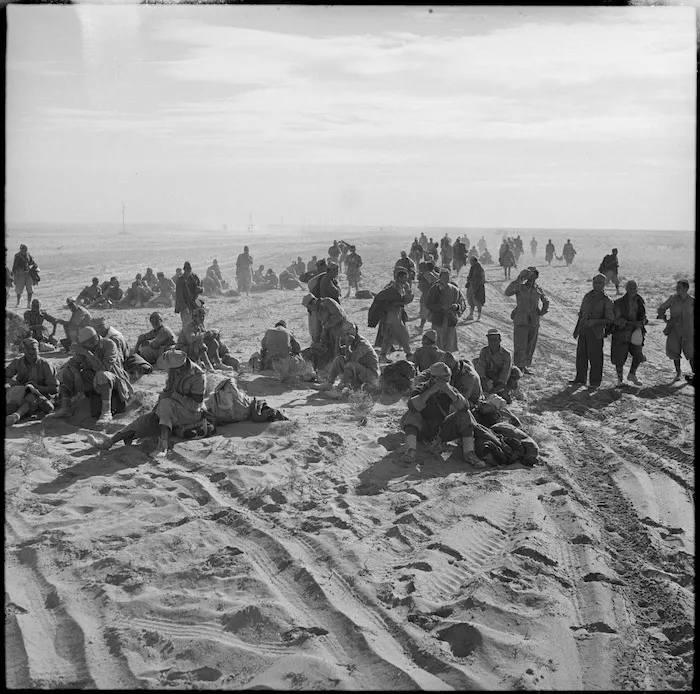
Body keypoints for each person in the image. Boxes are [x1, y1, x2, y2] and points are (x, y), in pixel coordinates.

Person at [86, 349, 206, 458]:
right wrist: (156, 410)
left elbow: (195, 405)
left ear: (179, 367)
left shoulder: (197, 376)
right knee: (145, 420)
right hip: (171, 410)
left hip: (190, 414)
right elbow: (167, 391)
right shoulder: (173, 371)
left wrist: (172, 397)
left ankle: (162, 447)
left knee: (166, 404)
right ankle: (109, 442)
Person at [399, 361, 484, 467]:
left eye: (448, 378)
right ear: (434, 378)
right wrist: (430, 392)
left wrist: (449, 392)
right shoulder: (422, 388)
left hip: (441, 430)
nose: (447, 381)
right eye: (444, 379)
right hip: (423, 429)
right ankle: (410, 451)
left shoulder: (450, 389)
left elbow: (464, 406)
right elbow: (412, 405)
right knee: (412, 414)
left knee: (465, 415)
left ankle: (469, 454)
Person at [51, 326, 134, 426]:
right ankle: (66, 407)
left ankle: (106, 412)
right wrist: (76, 374)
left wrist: (87, 354)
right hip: (91, 378)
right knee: (64, 372)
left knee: (101, 375)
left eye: (84, 345)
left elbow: (104, 368)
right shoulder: (86, 347)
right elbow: (73, 363)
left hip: (113, 378)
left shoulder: (109, 345)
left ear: (92, 342)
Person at [570, 274, 614, 390]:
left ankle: (594, 382)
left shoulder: (607, 300)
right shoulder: (587, 296)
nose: (597, 285)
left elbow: (610, 319)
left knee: (595, 358)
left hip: (596, 332)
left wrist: (595, 322)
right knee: (581, 356)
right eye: (595, 282)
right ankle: (580, 379)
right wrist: (576, 329)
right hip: (584, 330)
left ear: (604, 284)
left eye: (600, 283)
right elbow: (582, 314)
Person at [504, 267, 549, 374]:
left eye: (534, 275)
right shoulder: (520, 287)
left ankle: (525, 365)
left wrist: (543, 310)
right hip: (521, 318)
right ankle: (519, 366)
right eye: (529, 276)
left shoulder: (538, 289)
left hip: (534, 319)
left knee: (531, 344)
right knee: (520, 344)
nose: (531, 278)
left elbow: (545, 299)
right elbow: (508, 292)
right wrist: (519, 278)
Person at [5, 337, 59, 425]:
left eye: (33, 349)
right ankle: (14, 415)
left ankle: (15, 416)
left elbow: (54, 389)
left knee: (30, 398)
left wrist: (36, 387)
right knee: (14, 403)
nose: (30, 352)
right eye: (27, 349)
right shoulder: (17, 362)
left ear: (38, 350)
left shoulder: (46, 365)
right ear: (23, 350)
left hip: (41, 395)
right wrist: (17, 384)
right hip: (21, 392)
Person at [319, 322, 379, 395]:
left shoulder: (363, 344)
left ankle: (339, 390)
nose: (345, 336)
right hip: (361, 372)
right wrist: (338, 338)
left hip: (371, 375)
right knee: (338, 360)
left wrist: (347, 343)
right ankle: (329, 383)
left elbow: (350, 361)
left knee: (350, 365)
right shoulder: (353, 341)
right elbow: (337, 354)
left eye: (346, 334)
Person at [609, 280, 647, 386]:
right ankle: (620, 379)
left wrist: (643, 321)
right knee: (619, 357)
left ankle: (632, 374)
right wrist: (631, 323)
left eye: (634, 288)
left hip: (636, 332)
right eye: (630, 288)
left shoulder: (640, 301)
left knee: (637, 354)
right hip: (622, 333)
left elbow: (643, 315)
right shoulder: (619, 303)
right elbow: (616, 320)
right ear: (626, 289)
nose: (633, 290)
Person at [657, 279, 694, 382]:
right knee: (674, 352)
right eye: (677, 288)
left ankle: (694, 373)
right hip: (674, 330)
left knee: (691, 353)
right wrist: (664, 318)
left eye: (679, 288)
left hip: (688, 331)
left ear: (686, 289)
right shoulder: (672, 299)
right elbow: (661, 308)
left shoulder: (692, 301)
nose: (677, 290)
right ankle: (678, 373)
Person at [375, 269, 414, 362]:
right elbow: (388, 300)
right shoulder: (393, 288)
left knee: (389, 337)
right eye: (404, 278)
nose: (406, 280)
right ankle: (409, 354)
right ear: (399, 278)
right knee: (403, 334)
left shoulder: (402, 287)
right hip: (392, 316)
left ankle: (383, 355)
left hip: (396, 314)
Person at [474, 328, 522, 404]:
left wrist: (497, 388)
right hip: (490, 376)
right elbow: (481, 367)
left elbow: (505, 373)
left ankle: (514, 390)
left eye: (495, 339)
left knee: (515, 373)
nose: (493, 342)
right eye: (490, 340)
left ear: (500, 340)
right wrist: (483, 380)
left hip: (502, 379)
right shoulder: (484, 351)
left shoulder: (506, 354)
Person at [425, 268, 466, 352]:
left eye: (447, 277)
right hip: (438, 320)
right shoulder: (434, 289)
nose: (446, 279)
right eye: (444, 277)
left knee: (449, 343)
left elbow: (462, 303)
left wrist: (457, 306)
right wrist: (440, 308)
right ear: (440, 277)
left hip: (451, 320)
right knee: (438, 343)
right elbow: (428, 304)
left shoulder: (454, 289)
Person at [175, 305, 216, 371]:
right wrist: (204, 334)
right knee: (199, 343)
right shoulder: (189, 326)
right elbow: (191, 339)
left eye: (203, 316)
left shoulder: (199, 325)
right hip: (183, 349)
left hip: (191, 348)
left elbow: (203, 334)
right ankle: (208, 365)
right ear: (194, 317)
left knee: (213, 342)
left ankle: (216, 362)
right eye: (200, 316)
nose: (202, 318)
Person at [175, 261, 203, 327]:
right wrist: (184, 307)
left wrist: (200, 289)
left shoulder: (194, 277)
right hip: (185, 303)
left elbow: (201, 287)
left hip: (194, 302)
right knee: (187, 324)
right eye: (186, 269)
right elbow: (179, 296)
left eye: (189, 269)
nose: (188, 270)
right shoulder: (180, 280)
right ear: (184, 269)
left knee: (199, 322)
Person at [12, 244, 39, 308]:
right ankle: (18, 303)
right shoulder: (17, 256)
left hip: (28, 274)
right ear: (21, 250)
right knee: (19, 290)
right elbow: (14, 267)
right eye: (23, 249)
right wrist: (15, 277)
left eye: (26, 250)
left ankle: (28, 304)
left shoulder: (28, 255)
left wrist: (34, 267)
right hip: (20, 274)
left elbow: (33, 263)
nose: (25, 251)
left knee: (30, 290)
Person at [416, 258, 439, 333]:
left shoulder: (426, 275)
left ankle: (421, 327)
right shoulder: (436, 275)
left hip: (428, 295)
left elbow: (422, 287)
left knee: (424, 312)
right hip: (435, 295)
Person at [465, 255, 486, 321]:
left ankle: (479, 317)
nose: (470, 262)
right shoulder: (472, 267)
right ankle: (471, 314)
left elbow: (482, 277)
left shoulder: (479, 268)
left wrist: (480, 283)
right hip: (471, 286)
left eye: (471, 261)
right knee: (471, 301)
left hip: (478, 287)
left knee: (478, 301)